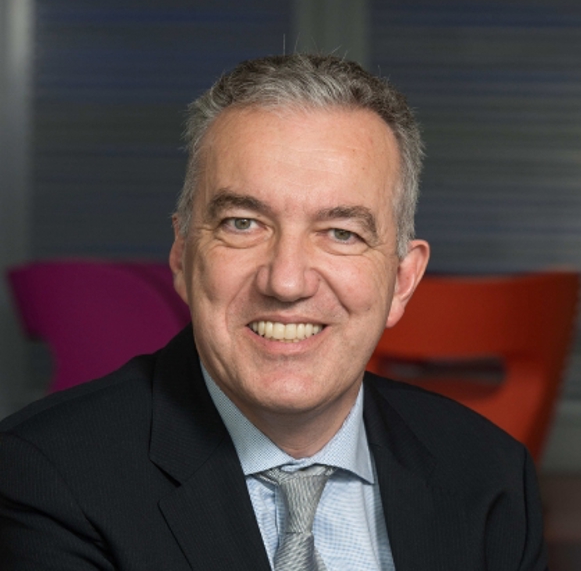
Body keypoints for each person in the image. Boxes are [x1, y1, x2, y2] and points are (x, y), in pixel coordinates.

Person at [0, 54, 547, 570]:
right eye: (243, 224)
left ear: (403, 281)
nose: (286, 282)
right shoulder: (46, 476)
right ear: (184, 256)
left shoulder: (490, 474)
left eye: (341, 233)